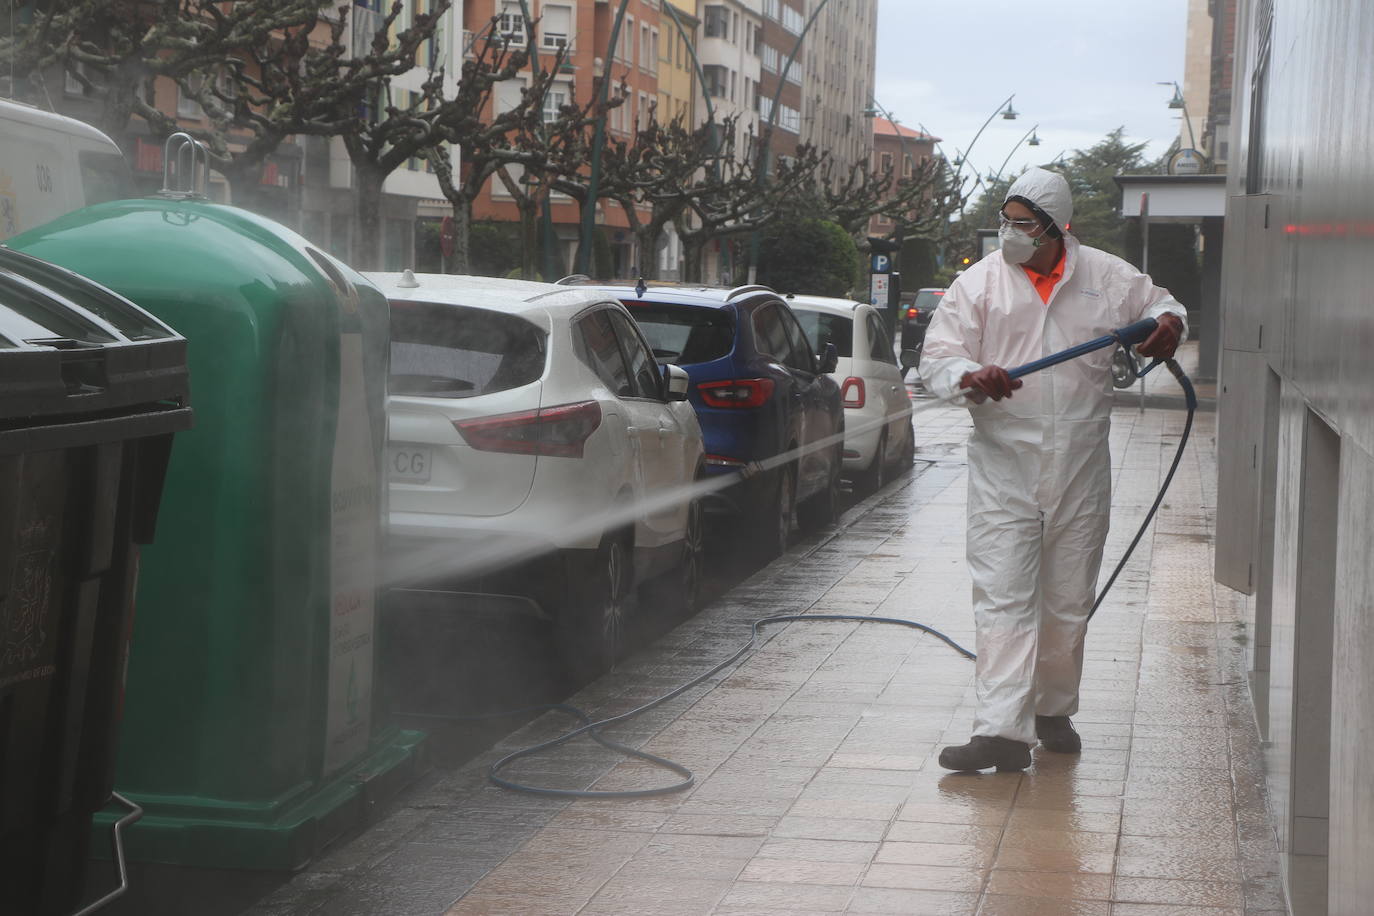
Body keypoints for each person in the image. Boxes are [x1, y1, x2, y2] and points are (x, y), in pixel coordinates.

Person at [920, 168, 1186, 772]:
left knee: (1068, 597)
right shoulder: (978, 284)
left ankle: (1052, 711)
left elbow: (1163, 305)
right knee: (1004, 595)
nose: (1011, 233)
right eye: (1006, 221)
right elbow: (937, 357)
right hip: (1004, 465)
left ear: (1057, 228)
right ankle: (1000, 733)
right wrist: (969, 375)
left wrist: (1170, 325)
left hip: (1081, 461)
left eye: (1025, 224)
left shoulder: (1107, 276)